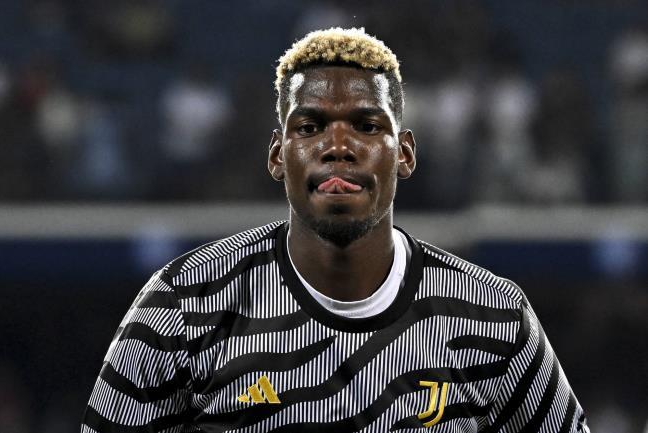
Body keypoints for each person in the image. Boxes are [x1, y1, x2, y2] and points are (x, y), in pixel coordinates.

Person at [82, 28, 589, 432]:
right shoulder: (182, 306)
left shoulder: (495, 316)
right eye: (310, 127)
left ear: (405, 153)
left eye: (367, 126)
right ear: (278, 155)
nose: (338, 146)